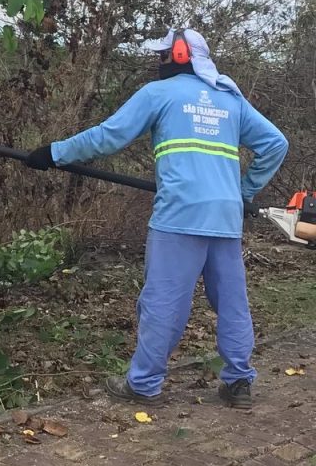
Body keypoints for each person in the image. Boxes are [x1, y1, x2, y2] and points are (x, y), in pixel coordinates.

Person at [25, 28, 288, 410]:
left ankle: (145, 383)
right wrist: (243, 193)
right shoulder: (231, 99)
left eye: (163, 54)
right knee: (232, 303)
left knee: (163, 302)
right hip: (225, 217)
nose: (158, 60)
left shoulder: (158, 94)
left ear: (179, 55)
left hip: (178, 216)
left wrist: (53, 152)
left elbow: (108, 136)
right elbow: (276, 144)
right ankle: (239, 383)